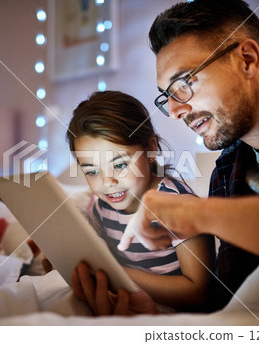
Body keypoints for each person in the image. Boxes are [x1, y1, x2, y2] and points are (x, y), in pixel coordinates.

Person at [72, 0, 259, 316]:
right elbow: (232, 305)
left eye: (183, 84)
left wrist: (195, 213)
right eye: (167, 96)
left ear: (246, 59)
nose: (176, 111)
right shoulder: (227, 173)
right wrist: (151, 317)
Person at [67, 90, 215, 312]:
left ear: (151, 149)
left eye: (119, 165)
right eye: (92, 171)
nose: (108, 182)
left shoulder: (177, 204)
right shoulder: (103, 205)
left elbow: (200, 292)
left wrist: (117, 273)